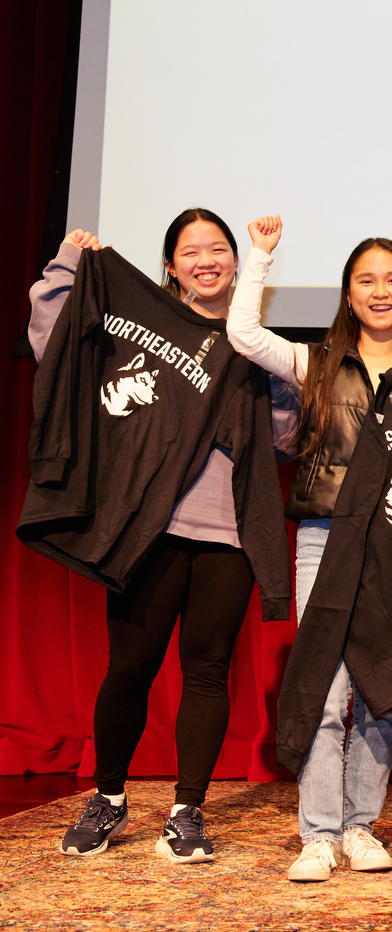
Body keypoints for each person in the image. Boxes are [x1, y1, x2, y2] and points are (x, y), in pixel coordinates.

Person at [28, 210, 291, 864]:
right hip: (147, 526)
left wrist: (283, 386)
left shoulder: (255, 342)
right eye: (190, 251)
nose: (206, 260)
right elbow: (52, 346)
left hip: (227, 530)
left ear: (237, 260)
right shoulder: (141, 327)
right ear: (169, 266)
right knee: (131, 666)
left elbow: (284, 439)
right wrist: (67, 267)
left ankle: (187, 811)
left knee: (206, 670)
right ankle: (109, 799)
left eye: (218, 248)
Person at [224, 218, 392, 882]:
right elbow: (243, 335)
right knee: (327, 692)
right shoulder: (317, 361)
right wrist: (260, 257)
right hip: (323, 540)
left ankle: (361, 828)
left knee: (382, 689)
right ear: (349, 294)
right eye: (367, 280)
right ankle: (319, 835)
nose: (380, 290)